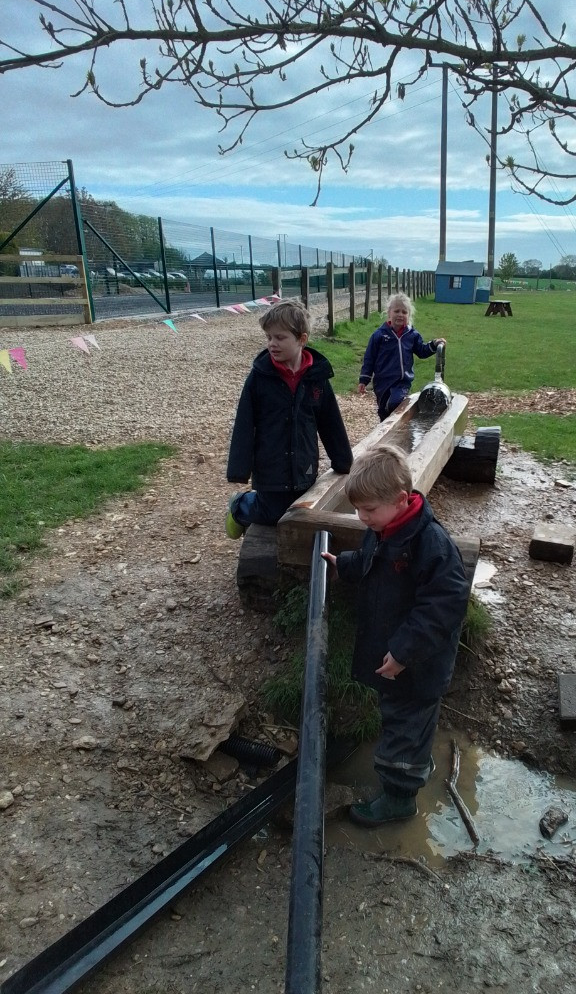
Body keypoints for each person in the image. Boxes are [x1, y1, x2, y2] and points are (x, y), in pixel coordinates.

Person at [322, 445, 470, 827]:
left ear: (402, 500)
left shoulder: (430, 545)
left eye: (368, 510)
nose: (361, 517)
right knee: (404, 718)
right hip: (397, 656)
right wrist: (347, 565)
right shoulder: (388, 528)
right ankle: (416, 759)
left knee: (406, 721)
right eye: (358, 509)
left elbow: (443, 607)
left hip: (417, 665)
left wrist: (403, 653)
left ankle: (400, 796)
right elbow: (376, 566)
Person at [225, 297, 353, 536]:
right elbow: (245, 423)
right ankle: (240, 506)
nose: (272, 344)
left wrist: (343, 460)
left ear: (301, 339)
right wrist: (239, 470)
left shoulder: (316, 377)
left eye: (280, 337)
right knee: (273, 513)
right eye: (269, 337)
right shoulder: (260, 377)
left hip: (304, 462)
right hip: (270, 465)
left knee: (299, 511)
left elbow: (330, 421)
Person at [358, 292, 446, 421]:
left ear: (409, 316)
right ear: (389, 313)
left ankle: (399, 426)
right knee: (383, 409)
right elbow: (369, 358)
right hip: (383, 381)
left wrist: (433, 345)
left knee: (395, 402)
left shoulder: (412, 335)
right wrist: (364, 380)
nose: (400, 315)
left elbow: (422, 351)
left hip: (402, 381)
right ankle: (385, 428)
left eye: (404, 312)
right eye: (397, 311)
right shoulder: (379, 335)